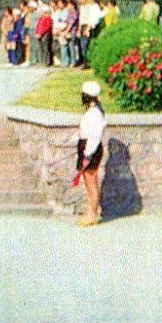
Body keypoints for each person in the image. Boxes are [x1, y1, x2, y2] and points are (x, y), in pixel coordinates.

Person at [75, 81, 107, 227]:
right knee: (88, 181)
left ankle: (92, 214)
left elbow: (95, 136)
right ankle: (90, 212)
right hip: (86, 147)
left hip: (90, 149)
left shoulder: (95, 114)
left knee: (91, 181)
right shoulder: (93, 111)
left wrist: (87, 154)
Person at [33, 0, 55, 66]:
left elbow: (47, 27)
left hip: (45, 35)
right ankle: (42, 61)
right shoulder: (41, 18)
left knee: (46, 48)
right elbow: (37, 26)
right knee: (41, 48)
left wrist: (41, 33)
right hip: (39, 35)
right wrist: (37, 33)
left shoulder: (48, 18)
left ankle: (47, 61)